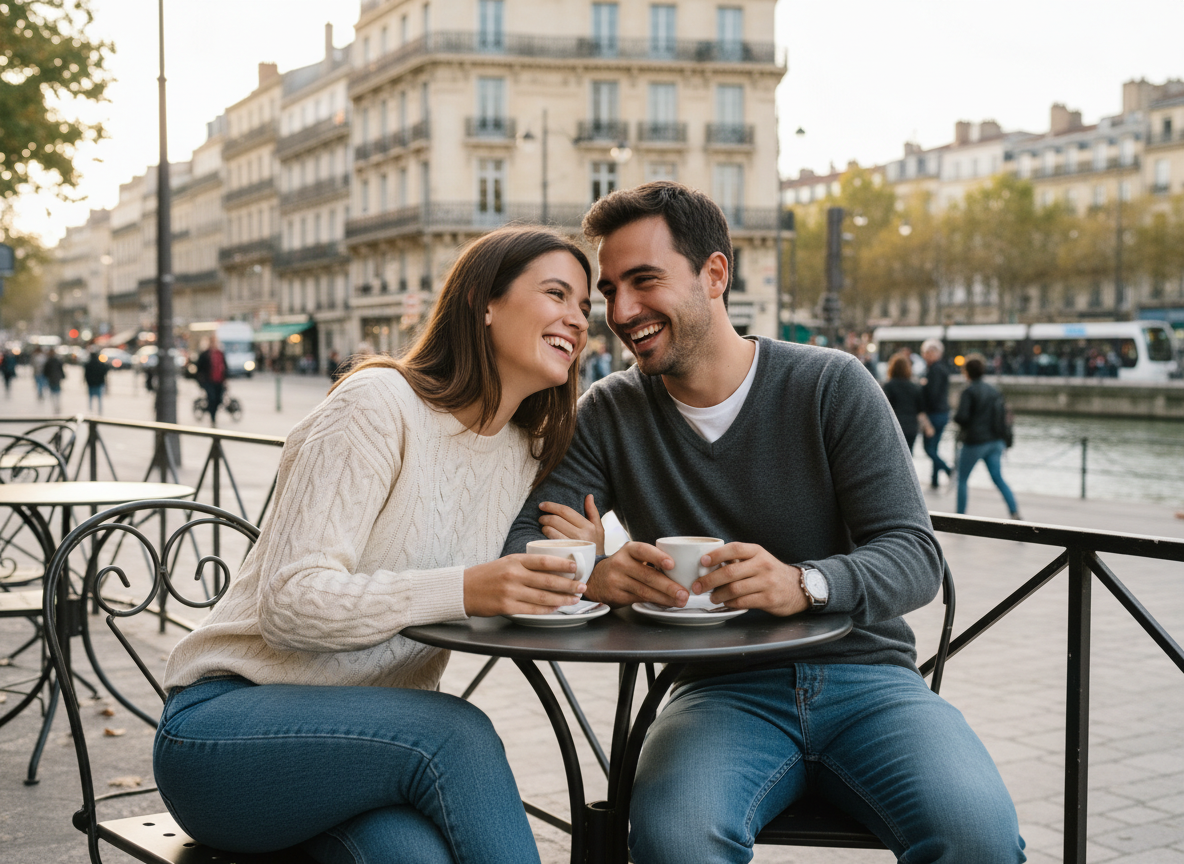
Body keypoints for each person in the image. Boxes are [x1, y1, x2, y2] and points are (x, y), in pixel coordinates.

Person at [504, 182, 1024, 863]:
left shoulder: (832, 384)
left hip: (871, 680)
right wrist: (598, 575)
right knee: (674, 841)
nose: (622, 311)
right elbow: (520, 542)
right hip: (716, 690)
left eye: (644, 281)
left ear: (715, 274)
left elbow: (914, 557)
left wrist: (803, 583)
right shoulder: (608, 412)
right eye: (608, 291)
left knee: (979, 840)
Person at [153, 226, 594, 862]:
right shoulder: (377, 404)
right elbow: (289, 601)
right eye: (557, 294)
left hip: (366, 754)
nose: (577, 320)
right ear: (483, 303)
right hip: (226, 731)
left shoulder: (525, 453)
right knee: (459, 735)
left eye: (584, 306)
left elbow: (539, 566)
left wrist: (592, 551)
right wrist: (465, 587)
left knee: (415, 857)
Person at [954, 353, 1020, 519]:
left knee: (962, 479)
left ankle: (959, 517)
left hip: (975, 442)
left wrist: (954, 416)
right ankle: (1014, 510)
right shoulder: (994, 390)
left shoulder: (968, 391)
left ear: (967, 372)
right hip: (995, 441)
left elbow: (962, 417)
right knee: (998, 478)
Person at [920, 338, 953, 489]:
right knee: (935, 447)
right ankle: (934, 480)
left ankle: (948, 470)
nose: (924, 355)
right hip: (943, 413)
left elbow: (932, 395)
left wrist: (923, 387)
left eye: (926, 352)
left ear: (933, 353)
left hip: (934, 414)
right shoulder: (942, 368)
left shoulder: (934, 370)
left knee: (929, 449)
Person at [882, 353, 931, 453]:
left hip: (894, 426)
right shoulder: (914, 387)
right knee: (908, 456)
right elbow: (920, 410)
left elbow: (883, 409)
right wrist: (927, 426)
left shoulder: (888, 386)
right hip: (911, 427)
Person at [194, 337, 229, 426]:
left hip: (219, 381)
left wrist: (226, 379)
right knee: (212, 398)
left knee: (219, 399)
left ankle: (214, 414)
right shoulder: (205, 354)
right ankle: (212, 417)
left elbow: (225, 367)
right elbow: (199, 368)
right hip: (208, 381)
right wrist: (201, 380)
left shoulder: (220, 354)